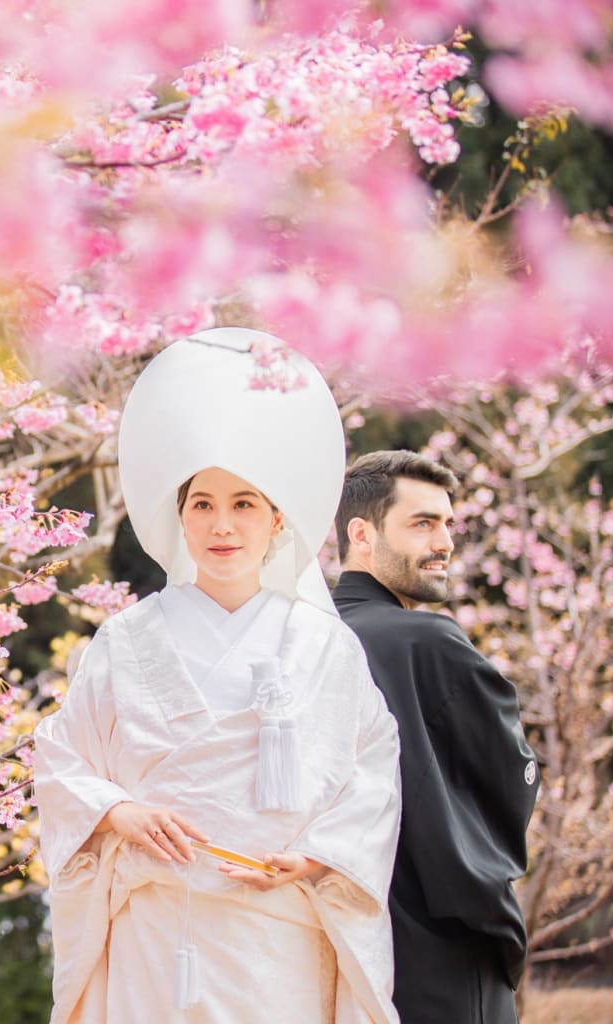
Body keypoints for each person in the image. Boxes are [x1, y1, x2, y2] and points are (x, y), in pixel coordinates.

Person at [35, 328, 402, 1023]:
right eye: (202, 503)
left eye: (243, 505)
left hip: (276, 928)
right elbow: (62, 756)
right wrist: (118, 811)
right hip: (154, 923)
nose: (221, 525)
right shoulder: (126, 638)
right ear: (180, 517)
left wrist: (322, 856)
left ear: (275, 523)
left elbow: (373, 768)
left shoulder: (325, 646)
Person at [332, 450, 539, 1024]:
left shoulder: (307, 636)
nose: (444, 542)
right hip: (441, 953)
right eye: (422, 524)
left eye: (448, 523)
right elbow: (510, 781)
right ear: (361, 534)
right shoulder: (427, 643)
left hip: (338, 949)